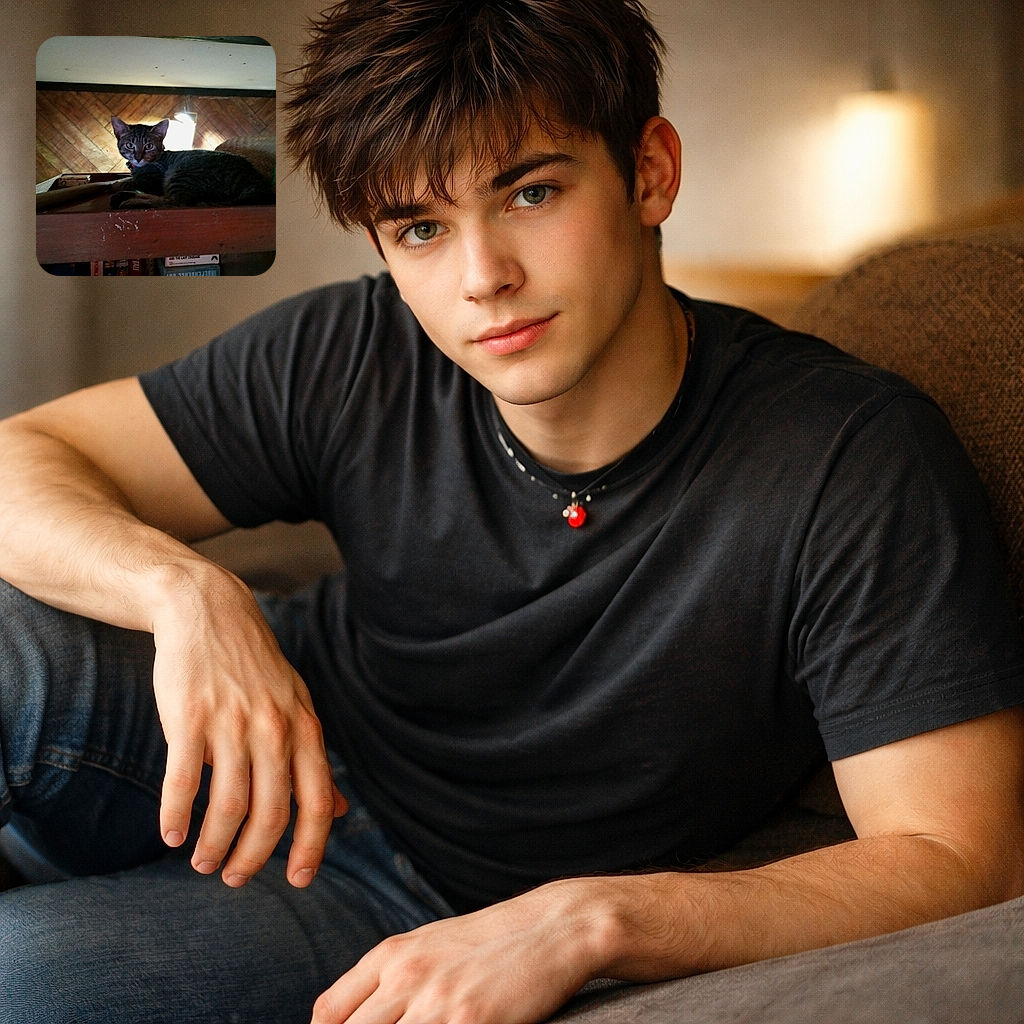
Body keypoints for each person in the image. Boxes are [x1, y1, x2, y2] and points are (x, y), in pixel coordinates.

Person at [2, 1, 1023, 1022]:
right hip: (277, 723)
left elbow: (956, 856)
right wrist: (184, 589)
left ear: (650, 172)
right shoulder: (353, 351)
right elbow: (23, 457)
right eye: (420, 228)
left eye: (530, 191)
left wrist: (592, 921)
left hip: (407, 900)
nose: (482, 277)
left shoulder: (848, 453)